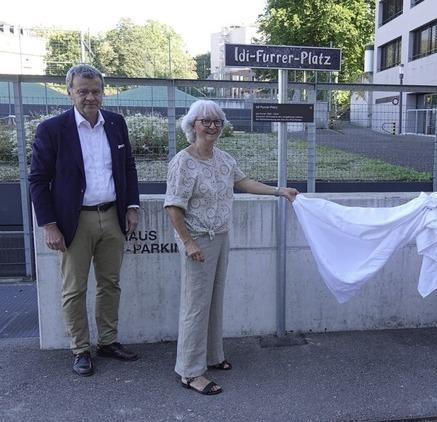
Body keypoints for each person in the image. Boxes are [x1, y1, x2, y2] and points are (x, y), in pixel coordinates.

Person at [164, 100, 298, 395]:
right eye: (205, 121)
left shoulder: (223, 159)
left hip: (221, 236)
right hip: (197, 240)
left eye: (217, 122)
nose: (212, 126)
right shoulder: (183, 162)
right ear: (192, 125)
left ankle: (212, 356)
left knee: (213, 301)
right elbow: (173, 207)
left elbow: (244, 181)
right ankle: (189, 371)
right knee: (195, 306)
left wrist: (279, 191)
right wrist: (188, 243)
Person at [29, 64, 141, 377]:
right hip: (73, 222)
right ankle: (80, 349)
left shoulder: (117, 124)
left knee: (110, 284)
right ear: (70, 92)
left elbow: (128, 167)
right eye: (83, 91)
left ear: (103, 92)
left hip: (113, 216)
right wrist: (49, 225)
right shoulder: (52, 129)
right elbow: (37, 179)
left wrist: (132, 206)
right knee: (73, 289)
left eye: (96, 91)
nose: (90, 97)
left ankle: (108, 341)